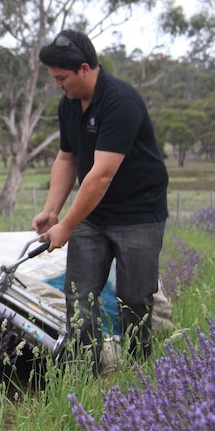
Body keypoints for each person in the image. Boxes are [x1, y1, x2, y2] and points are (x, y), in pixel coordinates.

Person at [32, 29, 168, 374]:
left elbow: (100, 176)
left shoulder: (120, 102)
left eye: (61, 78)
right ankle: (84, 374)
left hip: (138, 214)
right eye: (54, 79)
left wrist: (67, 224)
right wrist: (51, 211)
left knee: (134, 299)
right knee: (79, 296)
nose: (57, 86)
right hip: (94, 216)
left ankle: (139, 373)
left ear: (84, 69)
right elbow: (67, 158)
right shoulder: (69, 105)